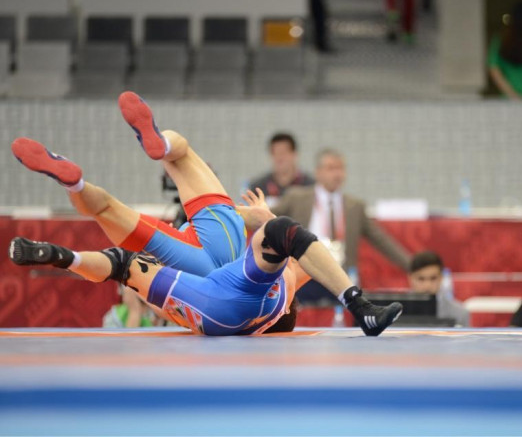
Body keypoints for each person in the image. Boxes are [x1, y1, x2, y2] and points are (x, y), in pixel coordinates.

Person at [9, 91, 402, 336]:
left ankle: (159, 145)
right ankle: (70, 199)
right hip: (206, 290)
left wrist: (264, 218)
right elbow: (118, 265)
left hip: (222, 259)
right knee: (116, 239)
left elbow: (299, 244)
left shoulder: (281, 288)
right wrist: (62, 258)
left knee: (184, 157)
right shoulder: (273, 300)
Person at [271, 148, 411, 274]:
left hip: (341, 275)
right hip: (304, 272)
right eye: (331, 169)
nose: (337, 174)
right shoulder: (296, 198)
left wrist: (413, 265)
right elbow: (269, 218)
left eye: (341, 169)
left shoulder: (355, 207)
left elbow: (382, 240)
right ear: (318, 172)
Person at [248, 133, 314, 207]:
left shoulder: (310, 187)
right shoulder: (259, 187)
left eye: (283, 153)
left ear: (295, 154)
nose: (279, 158)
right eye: (275, 153)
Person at [408, 251, 469, 327]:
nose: (427, 285)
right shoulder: (395, 313)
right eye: (421, 279)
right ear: (410, 278)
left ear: (441, 278)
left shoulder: (460, 313)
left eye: (433, 278)